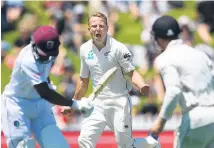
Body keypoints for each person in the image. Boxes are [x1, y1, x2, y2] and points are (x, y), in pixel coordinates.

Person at [61, 12, 149, 148]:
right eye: (94, 26)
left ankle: (151, 144)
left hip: (119, 102)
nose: (98, 29)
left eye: (101, 26)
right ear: (89, 29)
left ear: (107, 28)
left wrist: (142, 85)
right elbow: (83, 81)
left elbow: (131, 73)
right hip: (97, 102)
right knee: (84, 141)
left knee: (125, 145)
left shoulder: (119, 48)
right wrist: (73, 104)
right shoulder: (84, 49)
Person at [1, 25, 93, 148]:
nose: (46, 58)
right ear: (34, 44)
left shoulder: (50, 53)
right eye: (43, 54)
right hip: (17, 106)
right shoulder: (27, 60)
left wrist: (49, 84)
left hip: (40, 105)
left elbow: (43, 76)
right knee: (24, 146)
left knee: (57, 145)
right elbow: (44, 92)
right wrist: (74, 104)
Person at [143, 15, 214, 148]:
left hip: (195, 119)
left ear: (157, 38)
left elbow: (174, 91)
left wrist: (160, 122)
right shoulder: (200, 54)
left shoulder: (164, 59)